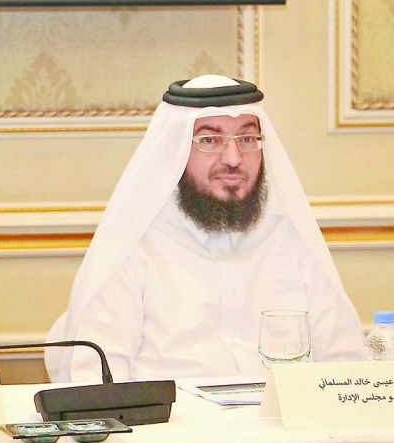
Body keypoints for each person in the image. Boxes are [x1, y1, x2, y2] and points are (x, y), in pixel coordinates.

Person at [48, 75, 366, 383]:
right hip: (170, 433)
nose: (233, 158)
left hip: (280, 429)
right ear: (176, 150)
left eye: (246, 139)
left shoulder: (291, 241)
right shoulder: (133, 248)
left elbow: (346, 367)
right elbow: (97, 384)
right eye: (210, 140)